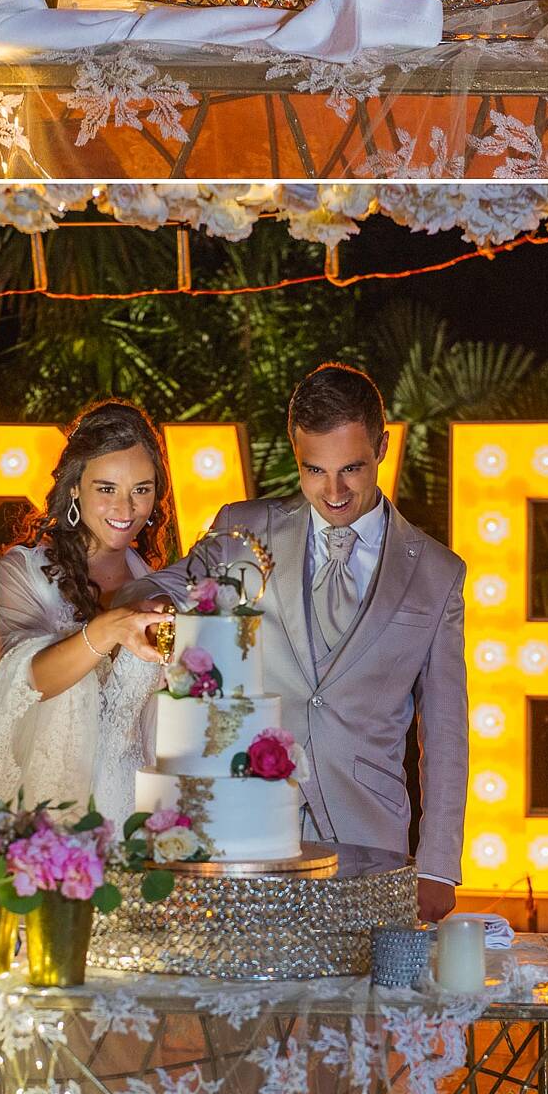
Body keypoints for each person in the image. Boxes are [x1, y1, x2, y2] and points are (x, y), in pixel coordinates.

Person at [140, 363, 468, 912]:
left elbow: (446, 729)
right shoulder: (245, 527)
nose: (333, 491)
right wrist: (139, 605)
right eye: (313, 470)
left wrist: (438, 865)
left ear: (383, 447)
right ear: (295, 452)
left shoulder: (437, 573)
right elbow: (170, 581)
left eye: (351, 469)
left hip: (370, 834)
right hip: (248, 822)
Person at [0, 399, 173, 822]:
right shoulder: (24, 571)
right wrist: (109, 627)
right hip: (45, 809)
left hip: (132, 811)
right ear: (76, 487)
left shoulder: (157, 585)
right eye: (106, 488)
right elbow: (24, 681)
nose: (126, 509)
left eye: (141, 490)